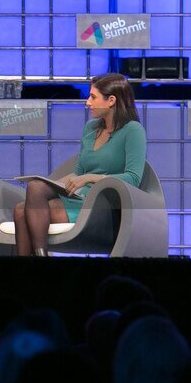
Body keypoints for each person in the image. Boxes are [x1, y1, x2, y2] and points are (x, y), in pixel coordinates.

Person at [13, 72, 146, 256]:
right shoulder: (91, 128)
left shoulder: (133, 130)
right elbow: (78, 172)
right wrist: (51, 184)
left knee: (23, 211)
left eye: (93, 97)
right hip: (79, 197)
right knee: (31, 192)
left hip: (101, 204)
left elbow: (133, 178)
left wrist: (90, 178)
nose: (87, 102)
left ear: (111, 100)